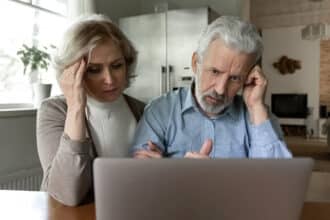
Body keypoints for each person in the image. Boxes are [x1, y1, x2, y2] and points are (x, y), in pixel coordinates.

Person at [132, 16, 292, 159]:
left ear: (248, 78)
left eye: (235, 78)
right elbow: (139, 178)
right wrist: (173, 176)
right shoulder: (159, 111)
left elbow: (277, 181)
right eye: (215, 71)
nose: (221, 89)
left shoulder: (257, 116)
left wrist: (256, 107)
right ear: (195, 63)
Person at [36, 14, 145, 206]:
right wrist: (76, 107)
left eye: (117, 66)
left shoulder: (141, 109)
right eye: (94, 70)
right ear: (72, 72)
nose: (110, 79)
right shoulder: (54, 110)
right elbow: (68, 194)